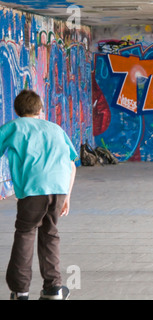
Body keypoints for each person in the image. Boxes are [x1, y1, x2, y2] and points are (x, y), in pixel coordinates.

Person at [0, 89, 78, 300]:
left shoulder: (14, 127)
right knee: (50, 234)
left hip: (34, 191)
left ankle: (20, 290)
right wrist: (67, 197)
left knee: (25, 233)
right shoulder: (55, 128)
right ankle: (53, 289)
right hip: (59, 190)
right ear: (40, 109)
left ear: (16, 110)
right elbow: (71, 164)